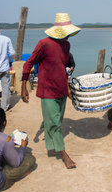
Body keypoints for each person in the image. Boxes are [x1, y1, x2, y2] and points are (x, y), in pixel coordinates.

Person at [21, 13, 81, 169]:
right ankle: (63, 153)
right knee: (54, 123)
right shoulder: (44, 44)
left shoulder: (67, 45)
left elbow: (64, 67)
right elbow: (28, 64)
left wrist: (68, 87)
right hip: (47, 90)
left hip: (61, 88)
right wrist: (23, 87)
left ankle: (48, 136)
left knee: (57, 121)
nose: (68, 35)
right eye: (65, 32)